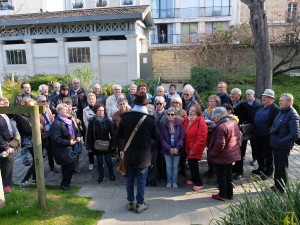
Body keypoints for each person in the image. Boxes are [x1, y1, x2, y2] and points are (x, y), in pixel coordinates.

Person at [117, 91, 156, 214]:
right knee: (140, 181)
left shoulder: (126, 117)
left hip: (129, 154)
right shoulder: (150, 120)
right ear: (145, 105)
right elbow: (158, 137)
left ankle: (130, 202)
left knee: (129, 179)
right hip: (143, 156)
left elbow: (118, 135)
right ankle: (140, 204)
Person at [208, 107, 241, 201]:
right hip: (230, 154)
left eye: (214, 117)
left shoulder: (221, 127)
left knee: (221, 176)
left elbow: (220, 144)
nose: (213, 119)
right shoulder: (233, 123)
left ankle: (222, 194)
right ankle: (229, 194)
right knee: (228, 175)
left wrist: (211, 154)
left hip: (223, 156)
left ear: (219, 116)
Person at [270, 93, 299, 193]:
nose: (280, 102)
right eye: (280, 100)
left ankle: (282, 188)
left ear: (289, 102)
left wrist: (280, 141)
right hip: (277, 145)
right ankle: (277, 185)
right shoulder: (282, 111)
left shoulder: (293, 114)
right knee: (277, 167)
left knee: (282, 168)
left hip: (282, 147)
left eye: (282, 101)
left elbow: (295, 134)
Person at [50, 103, 81, 192]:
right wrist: (69, 142)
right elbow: (56, 139)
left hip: (70, 148)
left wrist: (78, 136)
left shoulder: (70, 121)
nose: (68, 110)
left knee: (67, 166)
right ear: (59, 111)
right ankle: (65, 185)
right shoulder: (56, 123)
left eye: (68, 109)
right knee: (70, 164)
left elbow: (77, 131)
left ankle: (65, 184)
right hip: (61, 149)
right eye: (65, 109)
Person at [253, 89, 280, 180]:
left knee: (268, 155)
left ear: (272, 99)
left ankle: (268, 172)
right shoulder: (261, 106)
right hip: (257, 134)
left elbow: (276, 124)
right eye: (263, 96)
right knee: (258, 153)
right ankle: (261, 168)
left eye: (266, 97)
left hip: (267, 136)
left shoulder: (275, 109)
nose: (263, 98)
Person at [86, 103, 116, 184]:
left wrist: (113, 144)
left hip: (107, 144)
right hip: (97, 144)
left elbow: (113, 134)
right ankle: (101, 176)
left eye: (102, 110)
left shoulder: (108, 121)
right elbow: (89, 134)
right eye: (99, 110)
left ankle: (111, 174)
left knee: (108, 160)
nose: (101, 112)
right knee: (99, 161)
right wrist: (89, 146)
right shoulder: (92, 121)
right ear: (95, 111)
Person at [182, 105, 208, 191]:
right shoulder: (187, 119)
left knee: (193, 165)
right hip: (187, 146)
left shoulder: (201, 121)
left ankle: (199, 183)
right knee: (190, 164)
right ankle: (193, 178)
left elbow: (202, 138)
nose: (190, 112)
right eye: (190, 110)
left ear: (197, 112)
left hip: (195, 147)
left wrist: (194, 149)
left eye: (193, 111)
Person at [14, 98, 37, 189]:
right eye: (31, 106)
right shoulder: (20, 116)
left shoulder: (28, 115)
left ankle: (35, 177)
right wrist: (38, 127)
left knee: (37, 160)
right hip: (28, 141)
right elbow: (27, 131)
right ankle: (24, 181)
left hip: (33, 140)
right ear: (25, 106)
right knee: (37, 161)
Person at [229, 88, 251, 180]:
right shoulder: (231, 104)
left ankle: (239, 172)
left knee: (240, 152)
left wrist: (242, 124)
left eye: (233, 94)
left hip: (241, 132)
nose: (231, 96)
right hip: (232, 132)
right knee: (233, 151)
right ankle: (234, 168)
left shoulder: (244, 105)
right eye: (230, 94)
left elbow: (250, 118)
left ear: (239, 95)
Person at [160, 107, 184, 188]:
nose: (170, 116)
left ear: (175, 115)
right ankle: (169, 181)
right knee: (169, 166)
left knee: (175, 166)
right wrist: (169, 148)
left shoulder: (179, 124)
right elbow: (162, 138)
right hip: (167, 149)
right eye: (168, 114)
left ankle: (174, 181)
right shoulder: (163, 124)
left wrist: (177, 148)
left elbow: (182, 137)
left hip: (177, 149)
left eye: (172, 114)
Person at [37, 95, 59, 173]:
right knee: (39, 153)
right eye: (43, 101)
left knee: (50, 151)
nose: (45, 103)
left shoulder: (47, 109)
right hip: (42, 135)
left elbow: (51, 119)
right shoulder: (36, 111)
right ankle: (37, 171)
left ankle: (52, 167)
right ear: (38, 102)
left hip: (50, 133)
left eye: (46, 101)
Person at [202, 95, 221, 179]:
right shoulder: (206, 111)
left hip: (215, 134)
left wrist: (209, 122)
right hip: (207, 134)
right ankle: (210, 169)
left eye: (213, 101)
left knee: (214, 152)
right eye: (210, 101)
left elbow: (218, 123)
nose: (211, 103)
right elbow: (202, 120)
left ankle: (215, 171)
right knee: (208, 152)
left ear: (217, 103)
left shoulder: (219, 111)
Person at [0, 98, 16, 194]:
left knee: (5, 161)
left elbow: (13, 115)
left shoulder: (4, 113)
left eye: (2, 105)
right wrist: (6, 147)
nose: (2, 106)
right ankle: (6, 185)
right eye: (0, 105)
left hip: (9, 141)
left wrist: (7, 106)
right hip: (3, 144)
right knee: (9, 160)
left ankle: (4, 183)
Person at [243, 89, 262, 166]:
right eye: (246, 94)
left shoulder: (259, 104)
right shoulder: (244, 103)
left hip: (254, 127)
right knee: (243, 142)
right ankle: (242, 156)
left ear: (253, 95)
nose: (248, 95)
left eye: (249, 94)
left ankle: (255, 158)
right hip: (245, 126)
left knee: (254, 144)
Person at [170, 95, 187, 177]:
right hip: (171, 135)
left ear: (180, 104)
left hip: (180, 134)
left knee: (182, 154)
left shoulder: (183, 111)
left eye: (177, 103)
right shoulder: (169, 110)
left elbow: (185, 121)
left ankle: (182, 169)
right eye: (173, 102)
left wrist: (177, 116)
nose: (175, 104)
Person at [153, 96, 167, 180]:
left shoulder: (168, 113)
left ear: (164, 104)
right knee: (157, 157)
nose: (158, 105)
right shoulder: (153, 113)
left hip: (165, 138)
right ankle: (158, 173)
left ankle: (165, 174)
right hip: (155, 139)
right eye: (157, 103)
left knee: (165, 157)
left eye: (160, 103)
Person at [83, 93, 97, 171]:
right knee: (90, 148)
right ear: (87, 100)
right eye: (90, 99)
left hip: (99, 131)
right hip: (89, 132)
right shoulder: (85, 110)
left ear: (95, 100)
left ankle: (100, 161)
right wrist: (92, 128)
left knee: (99, 146)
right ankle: (91, 163)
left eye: (92, 99)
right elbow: (85, 121)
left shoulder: (99, 108)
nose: (91, 100)